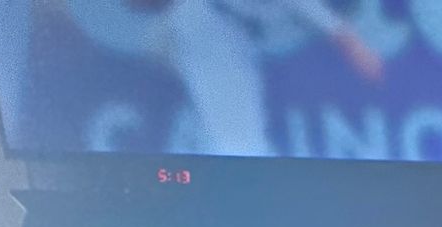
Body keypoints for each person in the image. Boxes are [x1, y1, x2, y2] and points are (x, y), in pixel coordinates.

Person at [121, 0, 382, 156]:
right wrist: (351, 43)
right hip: (210, 25)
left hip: (222, 28)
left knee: (234, 139)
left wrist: (350, 42)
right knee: (238, 143)